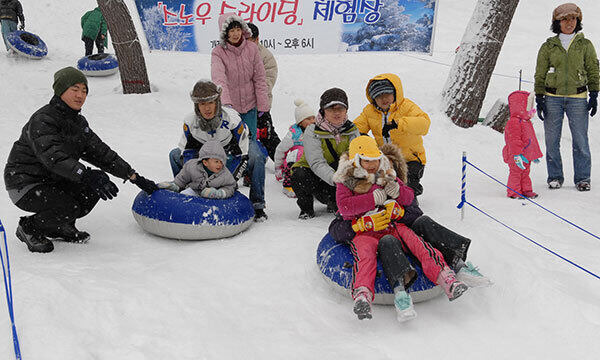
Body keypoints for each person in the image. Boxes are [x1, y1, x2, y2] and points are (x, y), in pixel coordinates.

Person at [3, 67, 158, 253]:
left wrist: (133, 176)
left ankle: (57, 226)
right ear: (61, 91)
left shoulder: (78, 123)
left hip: (53, 180)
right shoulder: (43, 120)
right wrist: (84, 174)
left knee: (94, 184)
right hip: (25, 183)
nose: (80, 95)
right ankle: (29, 228)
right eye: (74, 89)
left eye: (84, 91)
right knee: (69, 204)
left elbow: (102, 153)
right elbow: (54, 158)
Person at [333, 136, 469, 320]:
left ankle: (446, 279)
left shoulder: (386, 174)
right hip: (365, 230)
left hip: (392, 225)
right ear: (356, 160)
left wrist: (398, 193)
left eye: (375, 159)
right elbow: (344, 207)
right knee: (364, 256)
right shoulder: (346, 180)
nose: (372, 165)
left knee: (419, 245)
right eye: (366, 160)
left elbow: (409, 198)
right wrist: (371, 201)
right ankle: (362, 294)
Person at [168, 80, 269, 221]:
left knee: (257, 157)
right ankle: (184, 192)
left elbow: (243, 154)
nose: (207, 108)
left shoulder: (232, 119)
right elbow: (187, 154)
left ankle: (258, 205)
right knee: (174, 155)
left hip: (233, 150)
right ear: (196, 105)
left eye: (210, 102)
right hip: (204, 152)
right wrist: (196, 180)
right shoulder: (190, 122)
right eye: (202, 104)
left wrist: (227, 182)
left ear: (218, 102)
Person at [534, 3, 598, 191]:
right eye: (564, 19)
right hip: (552, 98)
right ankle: (555, 177)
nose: (569, 23)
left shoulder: (585, 45)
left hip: (578, 99)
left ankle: (583, 178)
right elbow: (540, 72)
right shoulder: (548, 46)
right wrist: (539, 97)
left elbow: (593, 69)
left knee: (580, 140)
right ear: (557, 22)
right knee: (552, 141)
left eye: (573, 19)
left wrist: (594, 93)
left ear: (578, 21)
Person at [211, 13, 268, 220]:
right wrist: (226, 106)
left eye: (237, 29)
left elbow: (260, 78)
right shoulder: (218, 53)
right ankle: (225, 194)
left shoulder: (252, 49)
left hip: (251, 108)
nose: (235, 34)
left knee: (254, 153)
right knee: (230, 150)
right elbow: (219, 79)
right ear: (225, 33)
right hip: (229, 111)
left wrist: (263, 105)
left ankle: (258, 203)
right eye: (230, 30)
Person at [354, 73, 430, 197]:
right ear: (373, 98)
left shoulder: (407, 106)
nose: (384, 99)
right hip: (385, 160)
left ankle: (411, 195)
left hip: (410, 159)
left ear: (395, 93)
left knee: (405, 190)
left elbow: (424, 124)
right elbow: (357, 127)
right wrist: (362, 136)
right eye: (379, 96)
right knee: (382, 187)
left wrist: (398, 124)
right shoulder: (369, 111)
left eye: (387, 94)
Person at [291, 88, 360, 219]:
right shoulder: (312, 130)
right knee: (299, 174)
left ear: (346, 110)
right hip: (314, 174)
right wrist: (337, 180)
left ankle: (335, 201)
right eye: (331, 109)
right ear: (323, 110)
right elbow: (316, 162)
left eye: (340, 108)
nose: (336, 113)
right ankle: (306, 208)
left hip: (339, 173)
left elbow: (355, 157)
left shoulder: (352, 129)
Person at [247, 22, 281, 161]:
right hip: (239, 105)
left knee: (267, 135)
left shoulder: (266, 57)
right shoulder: (235, 55)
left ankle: (282, 163)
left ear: (257, 39)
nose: (247, 45)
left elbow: (267, 83)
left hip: (259, 104)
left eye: (250, 41)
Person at [159, 140, 236, 198]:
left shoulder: (225, 174)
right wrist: (174, 186)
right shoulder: (191, 166)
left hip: (212, 198)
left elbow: (230, 186)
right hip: (193, 192)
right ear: (205, 162)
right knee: (184, 196)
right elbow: (182, 179)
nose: (220, 165)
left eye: (221, 162)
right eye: (216, 161)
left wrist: (219, 193)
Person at [503, 91, 543, 199]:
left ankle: (526, 190)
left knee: (525, 172)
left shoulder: (526, 122)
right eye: (529, 108)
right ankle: (514, 191)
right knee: (516, 173)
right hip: (516, 154)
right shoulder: (514, 122)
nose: (531, 111)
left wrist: (534, 154)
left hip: (526, 155)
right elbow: (514, 140)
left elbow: (531, 140)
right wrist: (517, 154)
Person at [273, 99, 315, 198]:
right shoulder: (293, 135)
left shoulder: (317, 131)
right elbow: (280, 150)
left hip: (311, 161)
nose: (312, 121)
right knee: (299, 152)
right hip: (295, 162)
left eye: (313, 118)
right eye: (308, 119)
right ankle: (289, 185)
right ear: (300, 122)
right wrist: (278, 168)